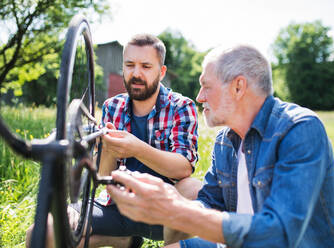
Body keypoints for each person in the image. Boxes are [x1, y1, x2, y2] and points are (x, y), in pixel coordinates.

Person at [107, 44, 334, 248]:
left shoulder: (299, 129)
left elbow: (280, 235)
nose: (200, 97)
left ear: (238, 87)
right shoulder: (225, 141)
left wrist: (176, 211)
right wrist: (167, 201)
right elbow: (210, 202)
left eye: (207, 86)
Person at [26, 34, 202, 248]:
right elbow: (103, 175)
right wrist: (107, 149)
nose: (136, 74)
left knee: (193, 190)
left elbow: (183, 168)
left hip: (164, 211)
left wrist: (137, 149)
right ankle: (124, 239)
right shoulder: (112, 106)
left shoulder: (182, 106)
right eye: (130, 65)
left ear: (161, 71)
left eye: (146, 66)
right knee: (43, 232)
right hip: (118, 205)